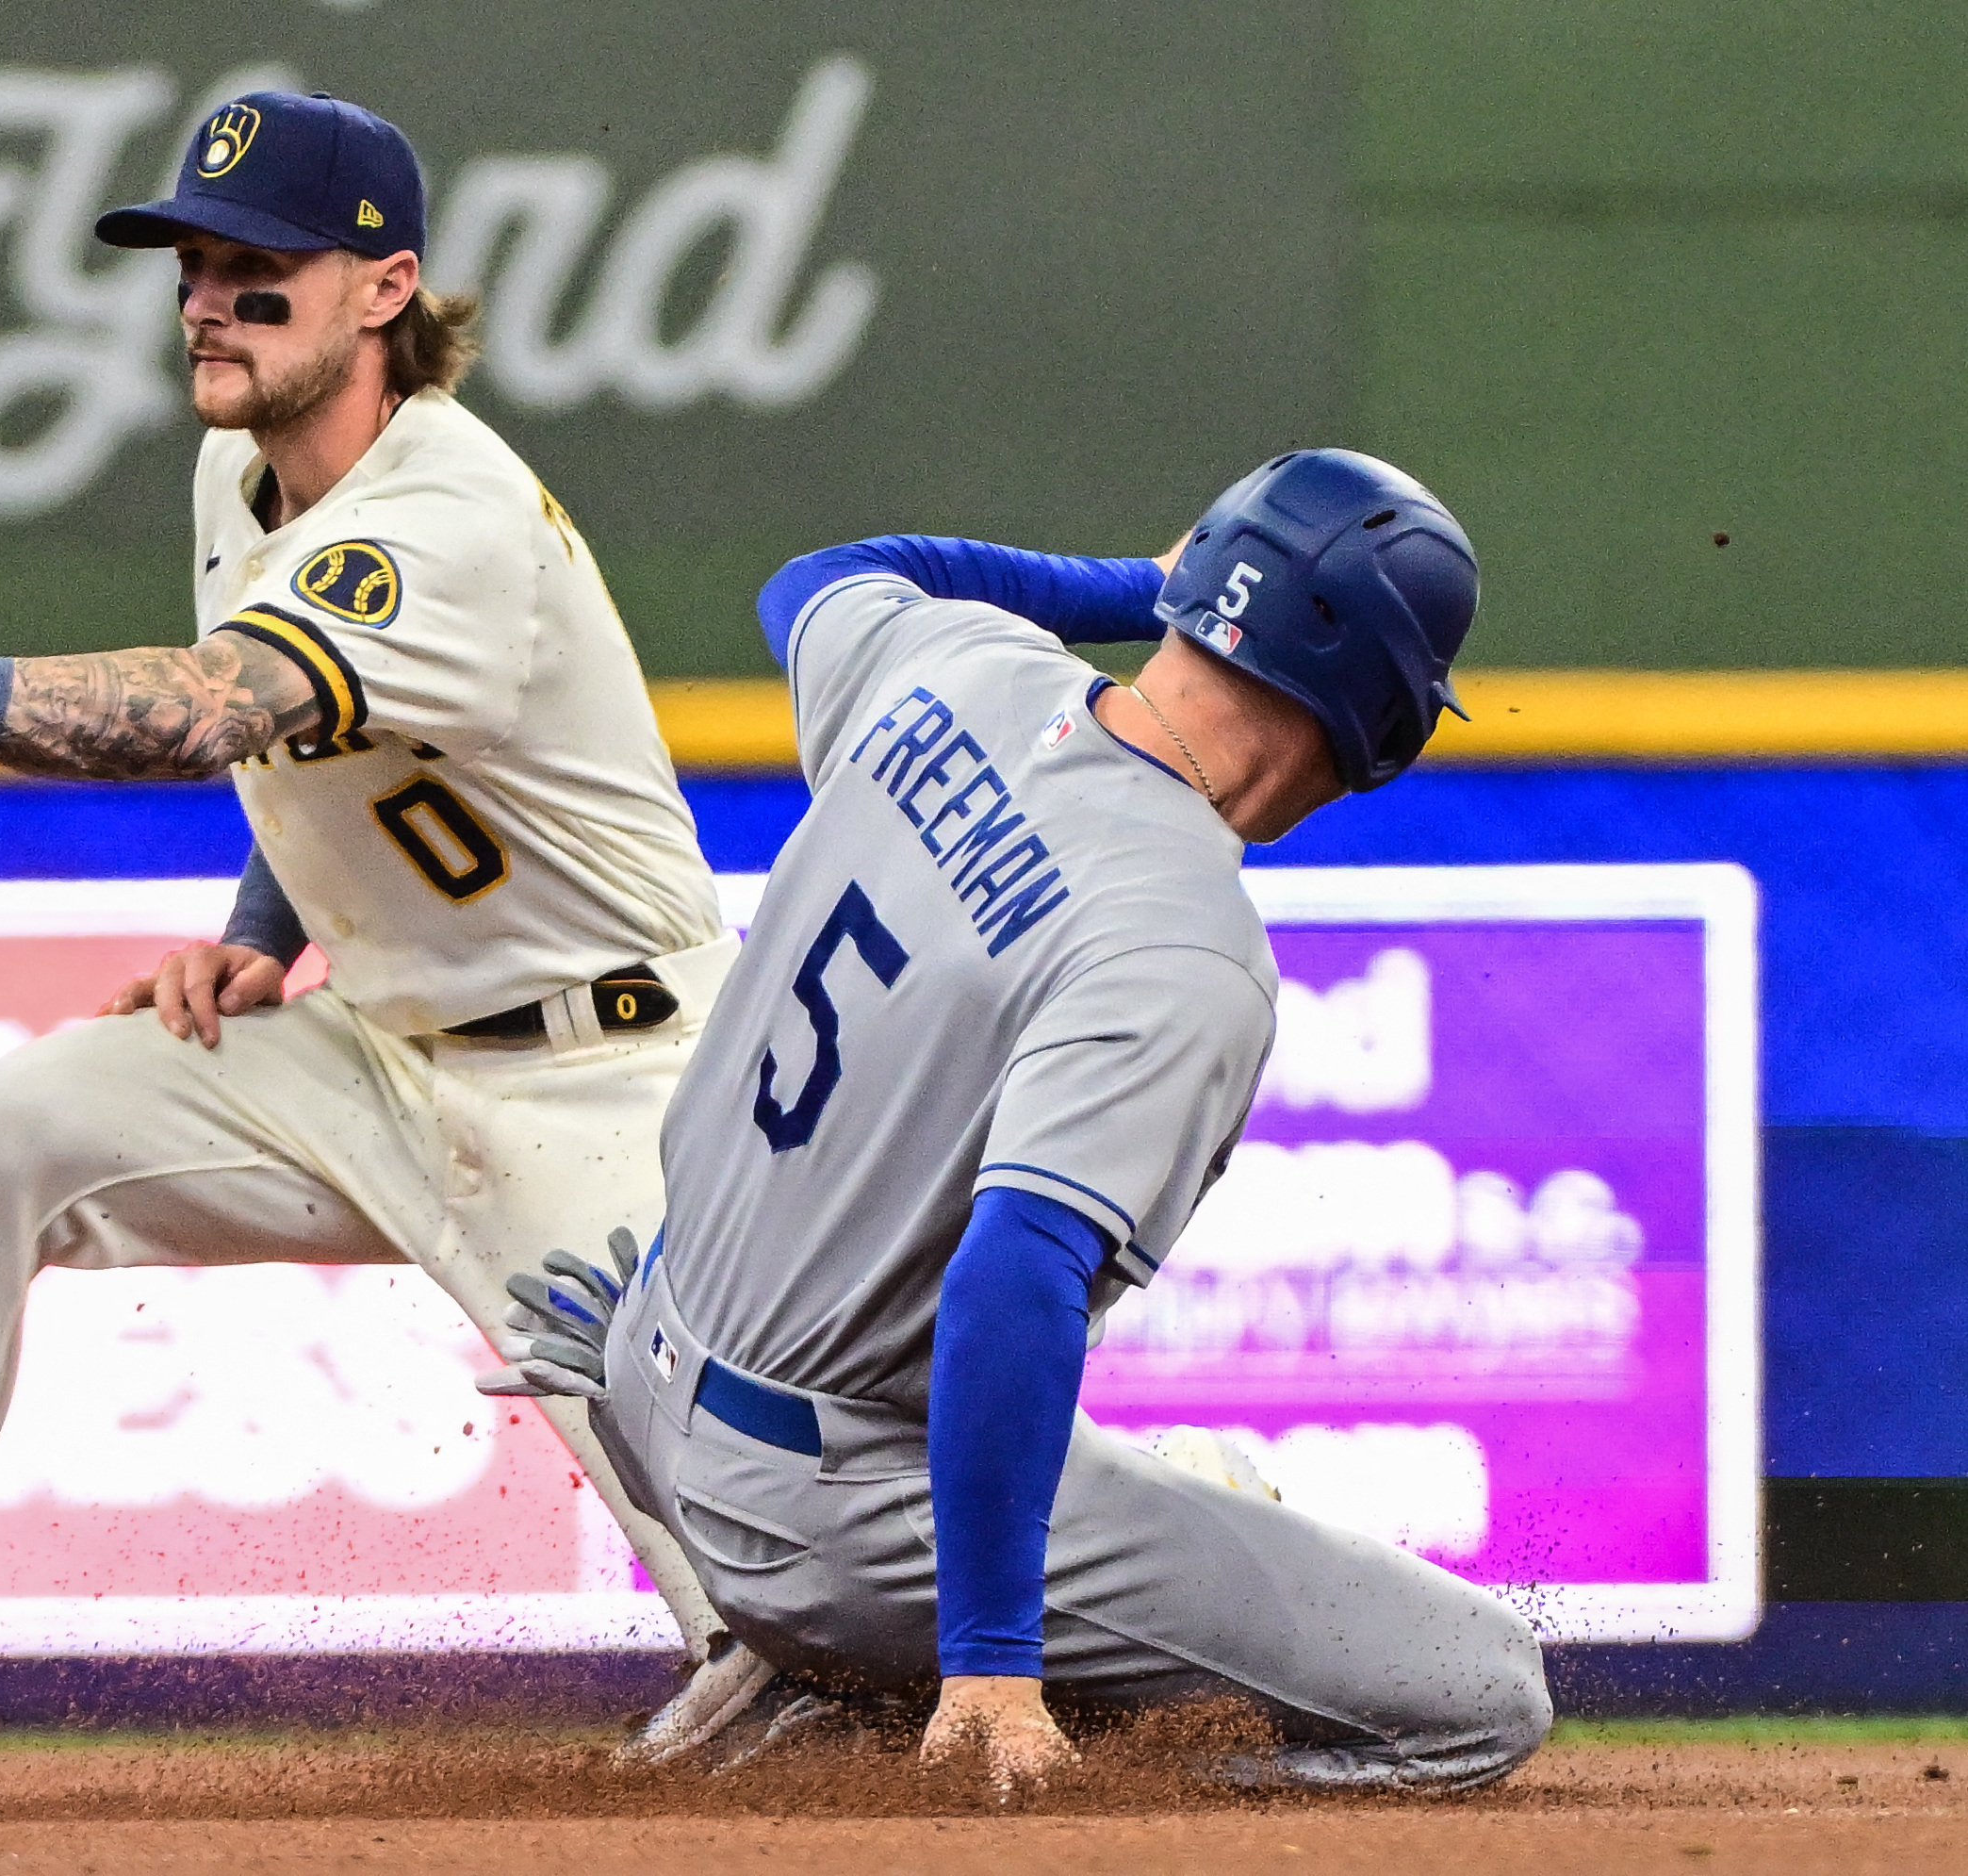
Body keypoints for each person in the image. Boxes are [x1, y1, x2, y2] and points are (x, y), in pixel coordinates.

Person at [0, 91, 749, 1810]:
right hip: (373, 1054)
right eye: (191, 267)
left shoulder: (448, 506)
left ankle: (1191, 1613)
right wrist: (255, 937)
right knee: (5, 1134)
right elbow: (309, 757)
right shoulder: (240, 467)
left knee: (789, 1652)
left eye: (259, 270)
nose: (209, 302)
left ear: (386, 290)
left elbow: (203, 709)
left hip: (613, 1085)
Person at [490, 449, 1555, 1797]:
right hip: (834, 1533)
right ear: (1381, 727)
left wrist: (1132, 585)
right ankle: (894, 1715)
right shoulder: (1183, 940)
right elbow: (1014, 1281)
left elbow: (821, 578)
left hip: (640, 1373)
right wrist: (992, 1664)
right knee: (1479, 1696)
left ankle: (833, 1662)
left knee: (1201, 1478)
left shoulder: (963, 668)